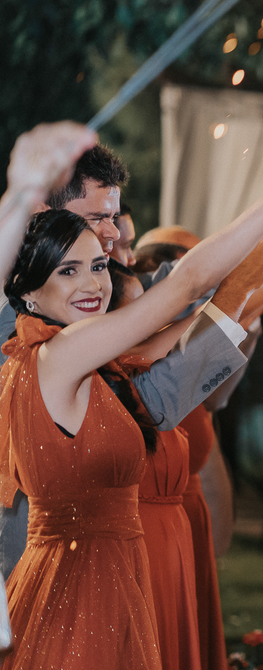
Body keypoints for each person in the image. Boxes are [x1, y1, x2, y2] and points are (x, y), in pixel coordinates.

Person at [0, 134, 263, 670]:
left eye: (97, 264)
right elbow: (183, 287)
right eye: (67, 271)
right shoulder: (60, 354)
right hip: (79, 592)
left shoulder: (91, 355)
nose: (93, 281)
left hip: (109, 583)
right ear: (27, 290)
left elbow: (192, 314)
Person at [0, 145, 248, 580]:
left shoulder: (88, 306)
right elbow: (184, 284)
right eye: (99, 218)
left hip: (100, 566)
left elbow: (160, 336)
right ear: (41, 212)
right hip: (26, 558)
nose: (111, 234)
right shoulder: (42, 339)